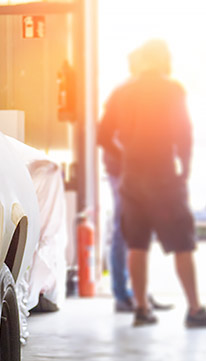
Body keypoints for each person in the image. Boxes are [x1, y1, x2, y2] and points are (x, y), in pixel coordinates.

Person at [98, 39, 206, 327]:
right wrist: (184, 168)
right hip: (163, 176)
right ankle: (195, 309)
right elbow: (184, 132)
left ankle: (142, 309)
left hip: (132, 177)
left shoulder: (123, 92)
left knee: (137, 244)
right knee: (182, 243)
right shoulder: (171, 89)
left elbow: (103, 134)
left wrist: (125, 157)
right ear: (162, 59)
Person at [102, 48, 174, 314]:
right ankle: (124, 296)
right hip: (123, 171)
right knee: (125, 230)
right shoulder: (126, 93)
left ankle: (138, 292)